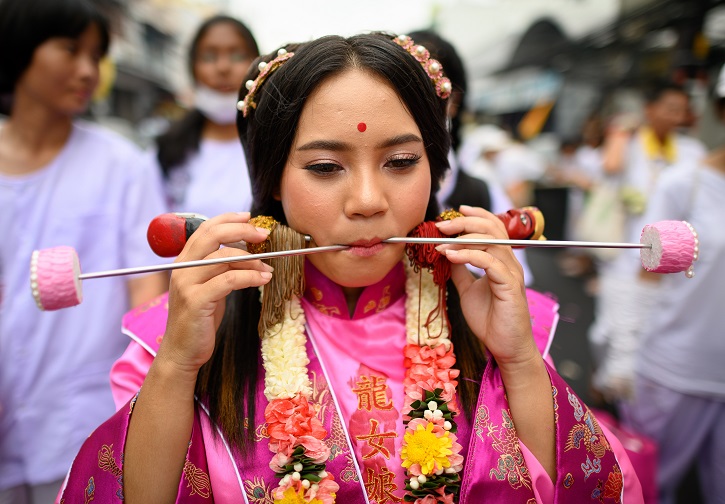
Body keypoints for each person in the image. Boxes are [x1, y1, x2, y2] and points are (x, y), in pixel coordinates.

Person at [59, 33, 643, 503]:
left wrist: (516, 360)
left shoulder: (490, 314)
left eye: (401, 161)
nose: (367, 199)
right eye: (324, 167)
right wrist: (177, 366)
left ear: (435, 169)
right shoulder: (191, 331)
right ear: (272, 181)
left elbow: (571, 490)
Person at [0, 1, 169, 502]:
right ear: (21, 50)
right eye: (71, 49)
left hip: (81, 424)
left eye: (96, 55)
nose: (87, 71)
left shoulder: (122, 166)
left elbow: (146, 289)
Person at [619, 84, 725, 504]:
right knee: (649, 489)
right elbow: (644, 274)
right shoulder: (685, 184)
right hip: (673, 372)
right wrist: (622, 354)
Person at [588, 82, 706, 401]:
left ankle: (629, 400)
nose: (676, 116)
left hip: (669, 261)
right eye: (669, 108)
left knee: (646, 332)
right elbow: (610, 167)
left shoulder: (692, 152)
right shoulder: (631, 142)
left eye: (681, 110)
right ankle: (605, 386)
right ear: (650, 109)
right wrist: (620, 133)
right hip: (626, 256)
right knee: (608, 331)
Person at [408, 29, 534, 286]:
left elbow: (519, 290)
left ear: (453, 101)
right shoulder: (358, 198)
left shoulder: (482, 196)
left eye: (425, 92)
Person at [155, 15, 260, 219]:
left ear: (257, 63)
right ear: (192, 68)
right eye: (209, 57)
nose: (223, 67)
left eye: (237, 55)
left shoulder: (279, 143)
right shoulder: (168, 150)